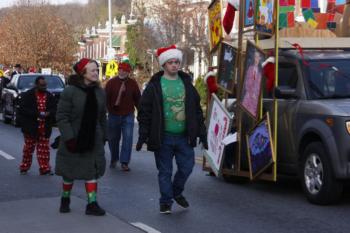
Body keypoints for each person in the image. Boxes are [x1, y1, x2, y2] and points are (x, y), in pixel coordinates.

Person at [136, 45, 208, 214]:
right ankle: (165, 201)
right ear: (164, 65)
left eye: (177, 62)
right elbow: (144, 113)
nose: (174, 65)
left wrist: (202, 133)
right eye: (170, 62)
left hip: (184, 137)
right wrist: (142, 136)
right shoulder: (154, 86)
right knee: (165, 171)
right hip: (163, 137)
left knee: (187, 167)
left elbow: (196, 111)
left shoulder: (187, 85)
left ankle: (176, 191)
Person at [55, 58, 107, 216]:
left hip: (93, 139)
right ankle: (65, 199)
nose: (96, 73)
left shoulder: (99, 92)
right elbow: (62, 116)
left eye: (97, 70)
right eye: (93, 70)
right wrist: (69, 138)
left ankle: (92, 204)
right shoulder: (70, 91)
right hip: (74, 138)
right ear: (83, 73)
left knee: (92, 171)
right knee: (69, 172)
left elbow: (102, 117)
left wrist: (104, 136)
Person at [105, 62, 141, 171]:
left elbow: (138, 100)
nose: (122, 71)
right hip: (113, 115)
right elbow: (105, 98)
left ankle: (124, 162)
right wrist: (106, 111)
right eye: (120, 69)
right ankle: (114, 158)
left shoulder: (133, 84)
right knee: (113, 139)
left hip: (128, 115)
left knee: (128, 139)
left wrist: (141, 113)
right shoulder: (111, 83)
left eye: (125, 70)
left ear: (128, 72)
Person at [18, 76, 56, 175]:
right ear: (36, 85)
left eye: (45, 85)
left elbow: (54, 108)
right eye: (42, 85)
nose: (44, 87)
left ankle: (45, 168)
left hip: (44, 127)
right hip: (31, 126)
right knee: (28, 149)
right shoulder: (28, 95)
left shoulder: (49, 96)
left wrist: (49, 113)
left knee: (44, 150)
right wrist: (36, 113)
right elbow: (23, 109)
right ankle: (24, 167)